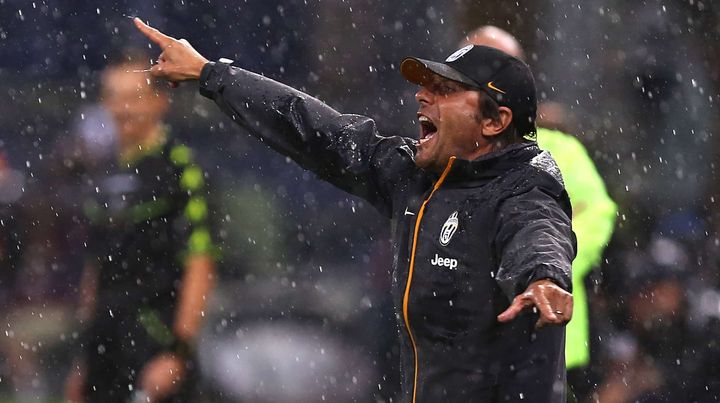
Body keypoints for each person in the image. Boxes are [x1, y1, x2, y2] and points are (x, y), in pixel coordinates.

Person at [133, 18, 575, 402]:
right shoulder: (412, 175)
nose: (422, 96)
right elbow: (310, 126)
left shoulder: (525, 187)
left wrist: (543, 276)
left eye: (445, 90)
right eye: (427, 85)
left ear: (495, 121)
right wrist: (211, 74)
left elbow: (539, 231)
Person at [462, 25, 617, 398]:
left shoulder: (558, 151)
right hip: (463, 346)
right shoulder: (443, 152)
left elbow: (597, 214)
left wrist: (542, 270)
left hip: (548, 336)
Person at [63, 50, 217, 403]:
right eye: (113, 98)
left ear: (160, 101)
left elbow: (200, 262)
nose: (123, 109)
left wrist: (178, 352)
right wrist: (82, 362)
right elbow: (95, 269)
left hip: (155, 341)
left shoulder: (182, 168)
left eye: (133, 97)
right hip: (104, 346)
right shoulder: (100, 173)